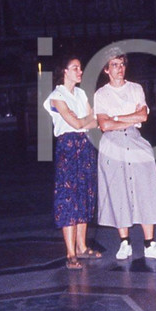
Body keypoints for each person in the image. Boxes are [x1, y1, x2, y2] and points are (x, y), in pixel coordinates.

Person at [94, 48, 156, 261]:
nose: (120, 69)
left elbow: (143, 116)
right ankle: (124, 242)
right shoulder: (101, 94)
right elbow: (105, 124)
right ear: (107, 70)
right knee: (119, 192)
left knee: (146, 189)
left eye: (122, 64)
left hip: (136, 141)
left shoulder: (136, 89)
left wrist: (116, 116)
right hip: (113, 145)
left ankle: (149, 243)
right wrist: (127, 116)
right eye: (115, 65)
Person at [43, 55, 100, 269]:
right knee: (68, 197)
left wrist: (83, 120)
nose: (80, 71)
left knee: (84, 193)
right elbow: (75, 122)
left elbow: (94, 119)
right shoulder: (56, 97)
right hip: (68, 147)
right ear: (64, 71)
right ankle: (70, 253)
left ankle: (82, 247)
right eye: (75, 68)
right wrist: (84, 120)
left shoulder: (81, 93)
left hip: (85, 145)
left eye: (80, 67)